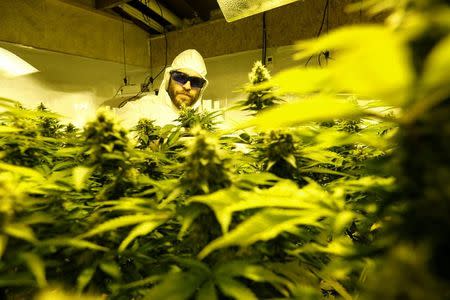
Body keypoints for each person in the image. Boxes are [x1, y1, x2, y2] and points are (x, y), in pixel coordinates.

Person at [117, 49, 208, 128]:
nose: (187, 86)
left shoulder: (208, 123)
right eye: (180, 77)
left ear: (201, 88)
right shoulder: (140, 110)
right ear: (168, 79)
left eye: (196, 82)